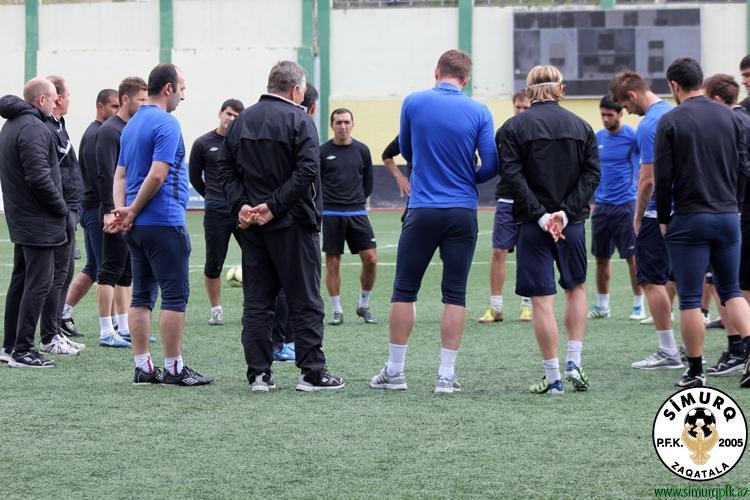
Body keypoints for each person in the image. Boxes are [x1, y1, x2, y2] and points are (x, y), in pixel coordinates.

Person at [369, 49, 498, 394]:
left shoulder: (413, 102)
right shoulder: (480, 111)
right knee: (455, 293)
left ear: (436, 72)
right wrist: (468, 176)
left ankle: (395, 372)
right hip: (462, 211)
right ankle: (445, 375)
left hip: (423, 207)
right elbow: (491, 165)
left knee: (404, 289)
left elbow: (407, 149)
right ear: (465, 79)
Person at [218, 60, 344, 392]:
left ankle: (259, 375)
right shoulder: (300, 120)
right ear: (296, 89)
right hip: (293, 224)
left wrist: (242, 206)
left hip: (253, 227)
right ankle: (311, 374)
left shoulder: (241, 120)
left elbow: (224, 172)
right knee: (305, 300)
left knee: (257, 302)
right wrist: (273, 207)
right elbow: (307, 171)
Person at [499, 65, 600, 395]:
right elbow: (592, 176)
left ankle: (553, 377)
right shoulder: (582, 126)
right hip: (571, 225)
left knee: (541, 300)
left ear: (529, 91)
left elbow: (513, 178)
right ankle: (574, 361)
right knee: (576, 287)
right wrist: (565, 214)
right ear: (561, 88)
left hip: (532, 224)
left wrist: (543, 217)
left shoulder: (512, 128)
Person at [111, 63, 214, 386]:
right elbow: (158, 173)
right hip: (163, 222)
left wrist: (123, 211)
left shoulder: (130, 125)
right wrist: (131, 210)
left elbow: (120, 176)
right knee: (174, 296)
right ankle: (174, 368)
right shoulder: (167, 123)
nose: (183, 96)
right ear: (168, 88)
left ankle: (143, 367)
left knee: (141, 296)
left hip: (136, 228)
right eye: (182, 89)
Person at [654, 58, 750, 388]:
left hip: (690, 217)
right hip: (728, 215)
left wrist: (663, 218)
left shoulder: (670, 120)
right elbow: (743, 167)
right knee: (731, 291)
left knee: (691, 299)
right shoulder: (731, 116)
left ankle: (695, 371)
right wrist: (735, 206)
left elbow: (662, 178)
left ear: (674, 85)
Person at [609, 70, 681, 370]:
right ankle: (693, 349)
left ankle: (668, 351)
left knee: (651, 280)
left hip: (657, 212)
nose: (627, 112)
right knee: (683, 279)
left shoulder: (650, 123)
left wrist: (637, 218)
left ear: (632, 95)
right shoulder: (674, 111)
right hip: (686, 210)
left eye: (626, 106)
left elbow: (648, 179)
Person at [0, 78, 66, 368]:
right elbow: (39, 177)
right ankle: (23, 350)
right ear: (41, 100)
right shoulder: (34, 128)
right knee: (39, 283)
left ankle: (10, 346)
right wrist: (60, 207)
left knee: (21, 281)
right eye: (53, 98)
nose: (56, 103)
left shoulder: (12, 125)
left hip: (23, 217)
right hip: (38, 220)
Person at [60, 88, 119, 339]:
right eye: (114, 106)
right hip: (96, 209)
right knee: (106, 268)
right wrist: (109, 208)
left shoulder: (98, 132)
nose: (117, 111)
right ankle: (110, 325)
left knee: (97, 267)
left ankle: (63, 313)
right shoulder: (98, 134)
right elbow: (100, 177)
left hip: (93, 208)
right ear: (100, 107)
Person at [702, 74, 750, 377]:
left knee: (729, 284)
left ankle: (739, 349)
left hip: (732, 212)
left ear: (717, 100)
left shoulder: (732, 123)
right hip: (734, 211)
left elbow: (741, 169)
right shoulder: (741, 119)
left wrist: (736, 204)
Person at [97, 77, 148, 348]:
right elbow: (106, 174)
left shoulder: (130, 128)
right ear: (125, 99)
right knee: (110, 269)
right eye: (141, 100)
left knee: (126, 270)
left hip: (127, 211)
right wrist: (109, 210)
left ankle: (125, 326)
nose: (145, 104)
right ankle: (106, 331)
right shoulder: (109, 130)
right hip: (114, 211)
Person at [39, 76, 86, 356]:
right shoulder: (46, 129)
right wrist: (63, 209)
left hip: (70, 209)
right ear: (58, 98)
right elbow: (47, 175)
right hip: (60, 211)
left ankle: (55, 331)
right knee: (56, 276)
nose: (69, 101)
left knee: (65, 273)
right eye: (67, 95)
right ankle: (49, 336)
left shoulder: (59, 126)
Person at [587, 95, 644, 321]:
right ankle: (603, 306)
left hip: (626, 206)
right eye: (602, 114)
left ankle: (638, 305)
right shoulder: (598, 138)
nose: (605, 119)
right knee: (601, 258)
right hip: (601, 207)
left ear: (621, 113)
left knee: (632, 258)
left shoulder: (633, 137)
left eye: (609, 115)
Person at [478, 89, 533, 324]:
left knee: (529, 253)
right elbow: (497, 164)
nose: (521, 111)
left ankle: (528, 305)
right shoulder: (504, 131)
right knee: (498, 251)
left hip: (533, 202)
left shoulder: (539, 130)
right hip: (507, 199)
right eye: (518, 107)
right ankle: (496, 307)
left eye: (526, 107)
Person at [272, 83, 318, 363]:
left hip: (267, 216)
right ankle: (307, 364)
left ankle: (264, 364)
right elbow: (307, 174)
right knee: (301, 292)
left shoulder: (255, 120)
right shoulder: (303, 125)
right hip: (293, 220)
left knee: (268, 291)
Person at [320, 108, 378, 325]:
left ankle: (363, 305)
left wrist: (356, 200)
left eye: (346, 122)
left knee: (371, 259)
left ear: (353, 124)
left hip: (357, 212)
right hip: (331, 213)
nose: (343, 126)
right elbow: (316, 182)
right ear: (331, 125)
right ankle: (337, 310)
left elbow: (368, 182)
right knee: (333, 262)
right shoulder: (322, 151)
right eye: (338, 122)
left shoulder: (362, 150)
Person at [189, 98, 244, 326]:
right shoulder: (203, 143)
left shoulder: (244, 142)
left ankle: (251, 307)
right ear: (220, 113)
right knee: (214, 263)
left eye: (236, 116)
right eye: (228, 113)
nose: (231, 118)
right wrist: (211, 196)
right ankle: (216, 310)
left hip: (241, 210)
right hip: (216, 211)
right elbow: (194, 177)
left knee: (254, 259)